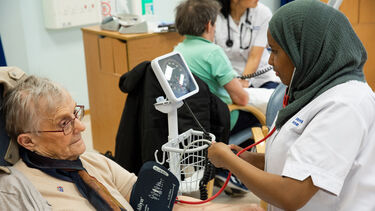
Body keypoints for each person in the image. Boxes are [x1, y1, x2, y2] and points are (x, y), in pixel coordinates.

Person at [2, 75, 263, 211]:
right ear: (28, 141)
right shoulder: (17, 192)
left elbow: (158, 203)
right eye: (64, 123)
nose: (81, 126)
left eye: (75, 113)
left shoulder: (92, 162)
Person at [208, 0, 375, 210]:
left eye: (275, 51)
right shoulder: (315, 90)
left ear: (304, 50)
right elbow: (298, 163)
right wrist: (249, 159)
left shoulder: (345, 105)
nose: (269, 61)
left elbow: (291, 194)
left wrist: (229, 162)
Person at [173, 0, 273, 196]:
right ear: (209, 25)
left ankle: (221, 170)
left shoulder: (177, 51)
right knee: (262, 115)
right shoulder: (213, 53)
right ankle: (231, 170)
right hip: (220, 122)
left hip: (191, 123)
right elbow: (242, 98)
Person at [215, 0, 280, 89]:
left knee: (270, 99)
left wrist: (243, 80)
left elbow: (254, 56)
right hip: (229, 77)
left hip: (261, 76)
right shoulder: (215, 16)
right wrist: (234, 83)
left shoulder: (263, 13)